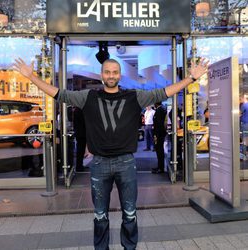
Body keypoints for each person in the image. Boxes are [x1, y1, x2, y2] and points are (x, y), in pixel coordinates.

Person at [13, 57, 208, 250]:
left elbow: (163, 92)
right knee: (100, 215)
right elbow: (59, 94)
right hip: (99, 164)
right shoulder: (88, 97)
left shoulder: (134, 97)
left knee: (130, 213)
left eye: (115, 72)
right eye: (107, 72)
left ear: (120, 75)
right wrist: (32, 77)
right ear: (101, 75)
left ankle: (129, 247)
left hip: (126, 163)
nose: (111, 75)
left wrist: (191, 78)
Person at [152, 102, 167, 174]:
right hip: (159, 133)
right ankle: (159, 167)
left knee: (159, 150)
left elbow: (159, 124)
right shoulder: (160, 109)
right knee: (159, 150)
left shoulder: (159, 110)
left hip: (159, 134)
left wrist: (156, 135)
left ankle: (161, 168)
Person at [73, 107, 87, 172]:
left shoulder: (77, 110)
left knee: (81, 150)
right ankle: (79, 166)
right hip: (82, 133)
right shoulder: (79, 110)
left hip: (80, 132)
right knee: (80, 150)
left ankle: (80, 165)